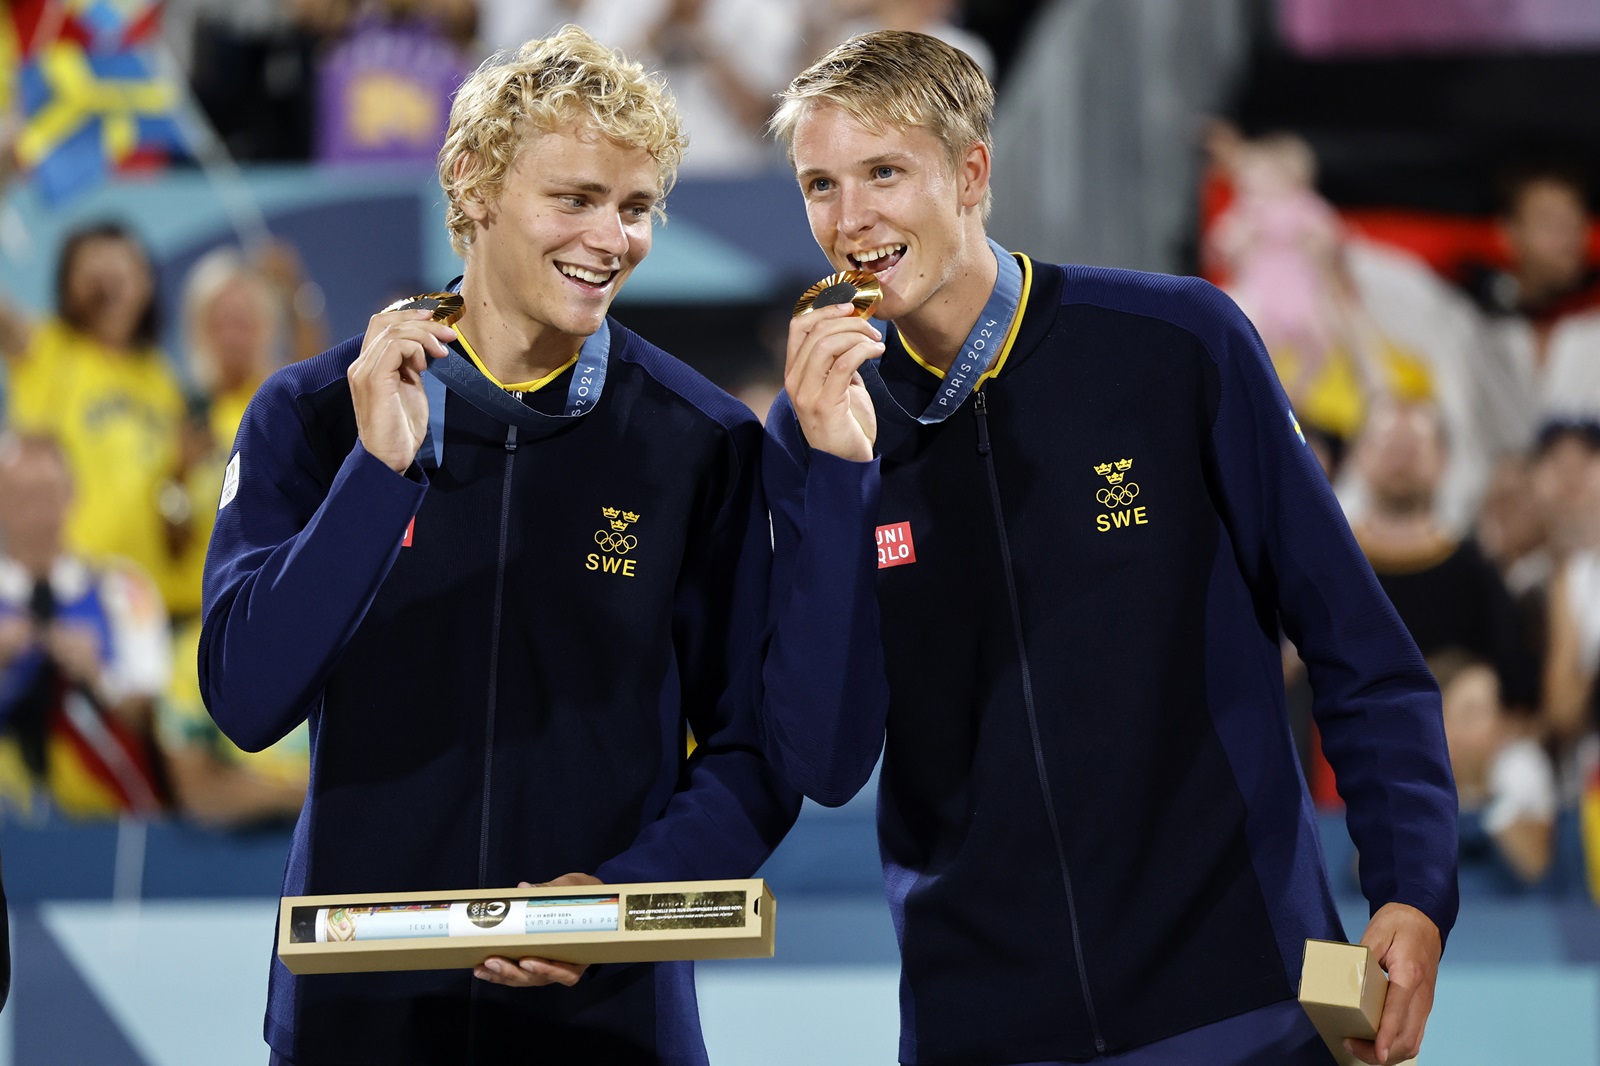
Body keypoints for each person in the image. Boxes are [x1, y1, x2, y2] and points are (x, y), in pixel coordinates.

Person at [760, 31, 1457, 1066]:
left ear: (970, 172)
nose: (850, 219)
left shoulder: (1176, 342)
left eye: (883, 173)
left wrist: (1411, 881)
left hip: (1241, 1002)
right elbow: (826, 757)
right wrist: (841, 473)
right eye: (821, 183)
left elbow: (1357, 644)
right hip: (981, 1026)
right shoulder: (815, 427)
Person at [200, 28, 799, 1064]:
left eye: (636, 206)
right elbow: (247, 699)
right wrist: (375, 478)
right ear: (471, 185)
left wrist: (619, 903)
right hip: (359, 1023)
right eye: (574, 199)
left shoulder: (700, 442)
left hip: (603, 1025)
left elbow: (757, 751)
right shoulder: (310, 414)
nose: (611, 238)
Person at [0, 222, 188, 615]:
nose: (108, 282)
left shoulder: (161, 377)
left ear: (146, 284)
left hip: (144, 604)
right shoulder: (48, 350)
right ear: (68, 286)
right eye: (92, 270)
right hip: (61, 595)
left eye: (121, 269)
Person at [0, 433, 171, 819]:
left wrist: (99, 675)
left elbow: (155, 720)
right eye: (19, 495)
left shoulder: (124, 589)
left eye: (46, 493)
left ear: (72, 495)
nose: (36, 511)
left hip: (102, 815)